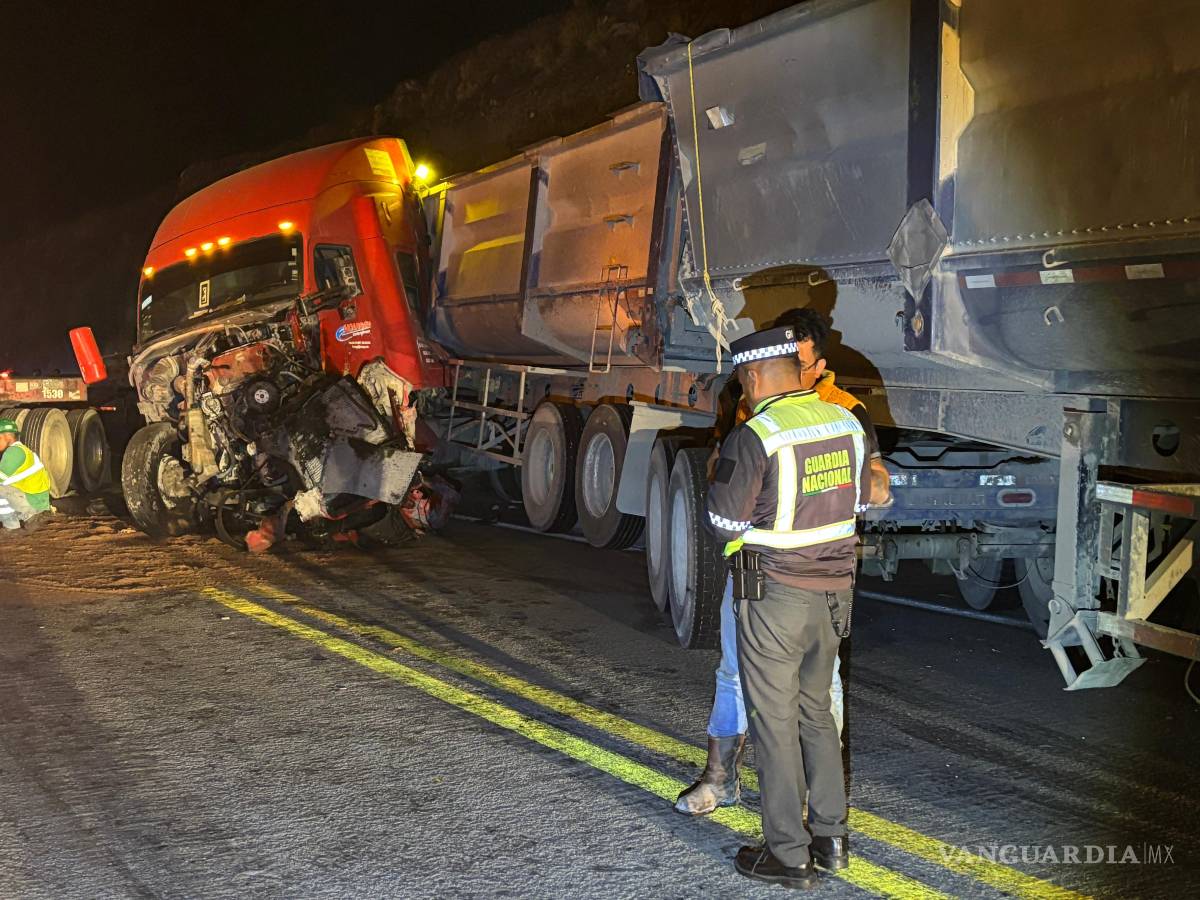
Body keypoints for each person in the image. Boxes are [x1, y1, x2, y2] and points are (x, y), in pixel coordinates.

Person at [675, 308, 889, 817]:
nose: (802, 374)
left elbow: (874, 486)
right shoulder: (749, 406)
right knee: (733, 673)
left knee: (813, 693)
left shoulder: (846, 411)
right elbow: (722, 459)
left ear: (817, 364)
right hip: (758, 572)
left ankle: (806, 812)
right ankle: (721, 779)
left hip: (805, 574)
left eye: (806, 365)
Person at [704, 324, 870, 888]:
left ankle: (789, 855)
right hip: (835, 595)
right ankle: (831, 837)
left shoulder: (757, 435)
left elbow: (724, 522)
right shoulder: (844, 421)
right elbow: (867, 495)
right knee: (816, 712)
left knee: (773, 725)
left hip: (774, 598)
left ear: (752, 376)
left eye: (742, 383)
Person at [0, 418, 52, 532]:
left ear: (8, 437)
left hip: (33, 503)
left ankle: (12, 526)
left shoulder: (14, 452)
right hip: (37, 500)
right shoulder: (21, 450)